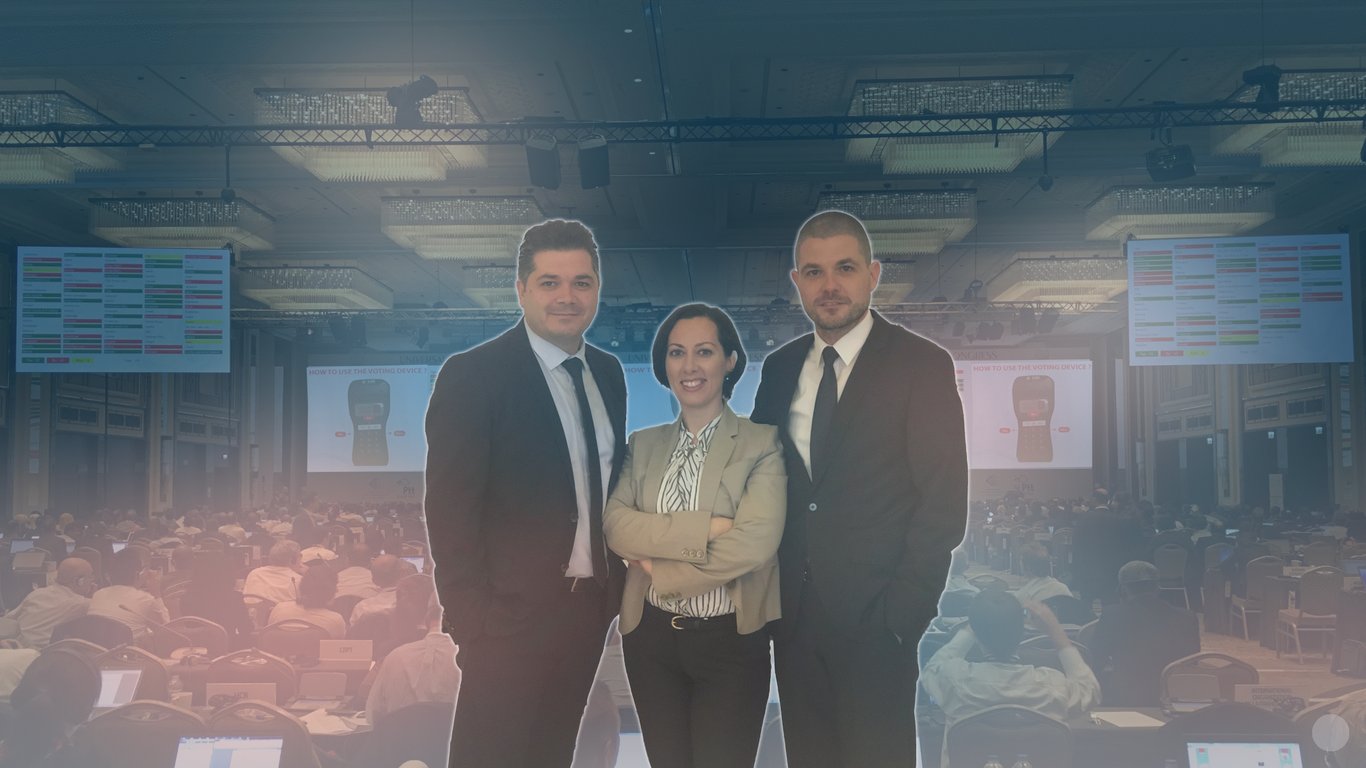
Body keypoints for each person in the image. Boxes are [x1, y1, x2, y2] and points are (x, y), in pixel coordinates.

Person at [750, 209, 968, 767]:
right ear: (797, 282)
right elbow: (763, 482)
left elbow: (943, 502)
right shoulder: (778, 369)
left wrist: (904, 616)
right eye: (814, 271)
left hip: (879, 621)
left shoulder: (922, 364)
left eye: (844, 268)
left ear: (872, 275)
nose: (830, 285)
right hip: (793, 621)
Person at [424, 219, 627, 768]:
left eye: (581, 282)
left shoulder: (608, 373)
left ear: (597, 289)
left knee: (552, 756)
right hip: (505, 622)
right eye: (549, 282)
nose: (567, 296)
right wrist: (473, 621)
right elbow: (449, 508)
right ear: (521, 290)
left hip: (587, 615)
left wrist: (610, 598)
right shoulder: (474, 374)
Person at [603, 303, 785, 768]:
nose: (689, 366)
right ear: (664, 365)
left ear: (730, 361)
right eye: (676, 352)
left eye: (704, 351)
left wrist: (658, 567)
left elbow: (754, 544)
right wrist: (705, 528)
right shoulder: (642, 445)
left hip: (730, 644)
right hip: (651, 641)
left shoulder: (761, 443)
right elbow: (616, 526)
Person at [921, 592, 1100, 766]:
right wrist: (1055, 631)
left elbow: (932, 667)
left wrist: (975, 626)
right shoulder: (1054, 686)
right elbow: (1090, 690)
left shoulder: (955, 680)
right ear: (1022, 633)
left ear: (977, 633)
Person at [1090, 560, 1200, 707]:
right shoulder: (1187, 617)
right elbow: (1192, 661)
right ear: (1157, 588)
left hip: (1126, 699)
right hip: (1176, 697)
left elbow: (1096, 658)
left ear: (1123, 590)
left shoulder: (1112, 615)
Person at [365, 579, 460, 725]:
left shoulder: (395, 657)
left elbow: (373, 715)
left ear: (427, 617)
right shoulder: (475, 661)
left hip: (398, 738)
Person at [2, 558, 94, 648]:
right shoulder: (81, 604)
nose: (92, 581)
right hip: (40, 653)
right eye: (90, 577)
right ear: (79, 581)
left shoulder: (37, 594)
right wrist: (93, 596)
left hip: (12, 646)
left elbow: (8, 619)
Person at [179, 549, 254, 649]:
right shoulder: (235, 599)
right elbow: (246, 630)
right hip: (227, 650)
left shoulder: (186, 599)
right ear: (228, 574)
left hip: (196, 651)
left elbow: (189, 628)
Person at [87, 547, 169, 636]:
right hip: (128, 645)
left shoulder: (97, 594)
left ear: (108, 576)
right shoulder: (146, 600)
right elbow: (165, 629)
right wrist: (156, 593)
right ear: (137, 574)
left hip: (94, 644)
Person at [267, 564, 347, 638]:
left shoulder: (279, 609)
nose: (337, 590)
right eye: (335, 586)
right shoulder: (335, 621)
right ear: (328, 591)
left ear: (303, 585)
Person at [242, 540, 303, 605]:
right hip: (281, 611)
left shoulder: (254, 573)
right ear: (293, 560)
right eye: (300, 555)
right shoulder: (298, 580)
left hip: (252, 611)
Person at [349, 554, 401, 625]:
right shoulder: (412, 605)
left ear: (374, 580)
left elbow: (354, 631)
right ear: (402, 574)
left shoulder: (362, 609)